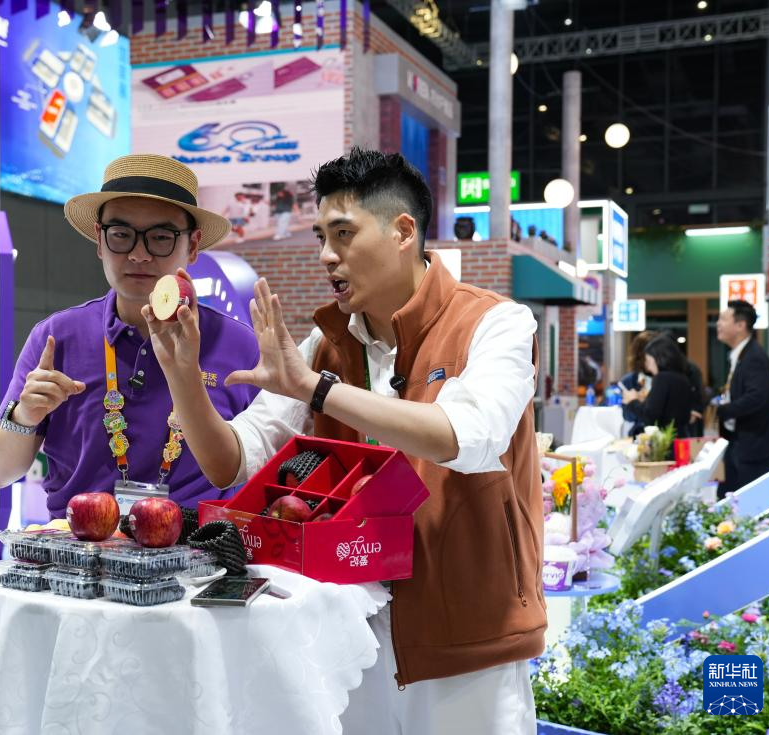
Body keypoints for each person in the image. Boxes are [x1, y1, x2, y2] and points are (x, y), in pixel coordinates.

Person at [144, 148, 543, 733]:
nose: (327, 255)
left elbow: (465, 437)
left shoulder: (495, 323)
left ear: (402, 232)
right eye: (321, 237)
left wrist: (318, 390)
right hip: (349, 634)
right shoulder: (323, 346)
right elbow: (233, 462)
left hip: (466, 632)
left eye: (344, 234)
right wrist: (181, 375)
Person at [0, 154, 260, 518]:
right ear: (100, 241)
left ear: (192, 246)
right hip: (77, 546)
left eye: (160, 237)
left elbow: (272, 472)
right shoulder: (56, 338)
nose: (139, 254)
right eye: (121, 235)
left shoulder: (239, 346)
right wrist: (24, 416)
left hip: (200, 547)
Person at [715, 300, 769, 497]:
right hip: (741, 441)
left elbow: (756, 398)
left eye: (723, 319)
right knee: (731, 498)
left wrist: (723, 410)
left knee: (752, 502)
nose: (718, 324)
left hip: (755, 444)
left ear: (740, 325)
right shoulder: (741, 355)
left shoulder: (754, 357)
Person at [620, 335, 693, 439]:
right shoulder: (683, 378)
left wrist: (632, 401)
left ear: (658, 359)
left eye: (648, 361)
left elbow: (650, 417)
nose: (647, 367)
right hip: (681, 438)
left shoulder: (661, 378)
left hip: (664, 441)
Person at [619, 330, 655, 436]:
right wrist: (635, 402)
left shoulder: (664, 379)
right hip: (638, 434)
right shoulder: (629, 380)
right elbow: (627, 416)